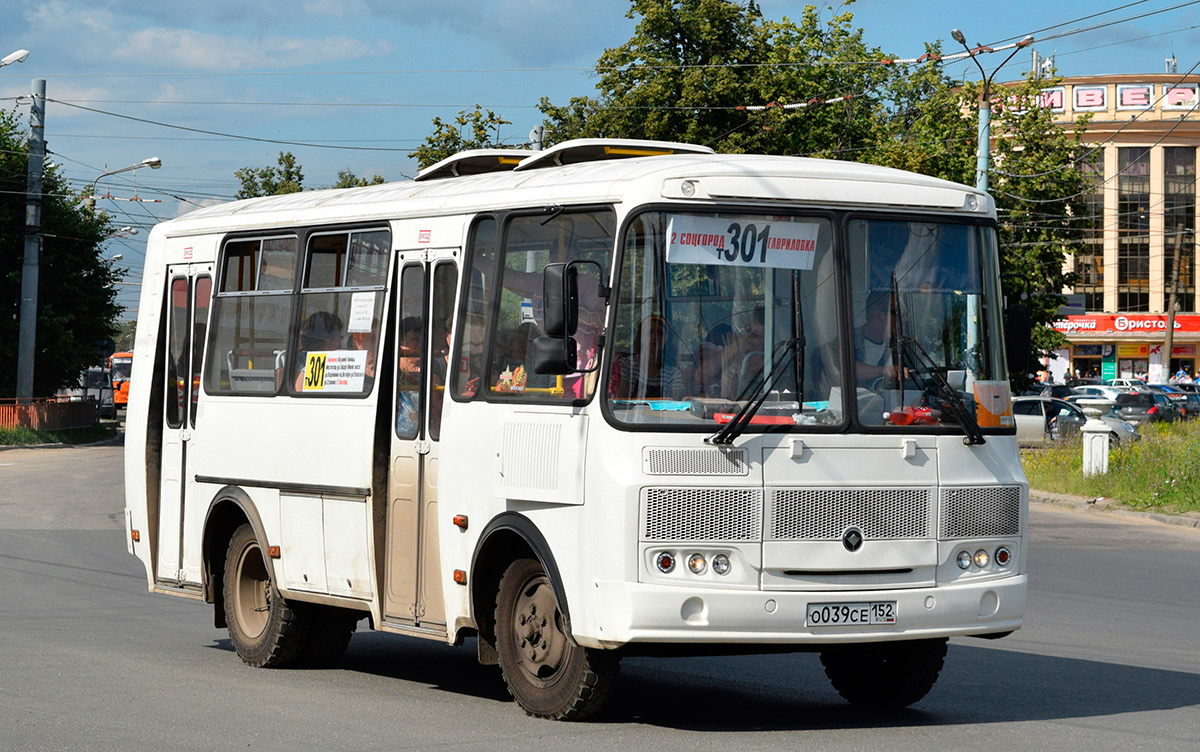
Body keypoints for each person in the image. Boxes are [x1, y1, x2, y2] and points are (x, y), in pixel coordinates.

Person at [612, 314, 684, 399]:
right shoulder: (625, 365)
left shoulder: (673, 373)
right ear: (640, 337)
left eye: (660, 333)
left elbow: (674, 404)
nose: (655, 337)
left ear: (666, 340)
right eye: (650, 332)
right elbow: (620, 400)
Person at [294, 311, 344, 391]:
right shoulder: (307, 360)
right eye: (339, 334)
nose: (341, 338)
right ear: (328, 337)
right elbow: (299, 390)